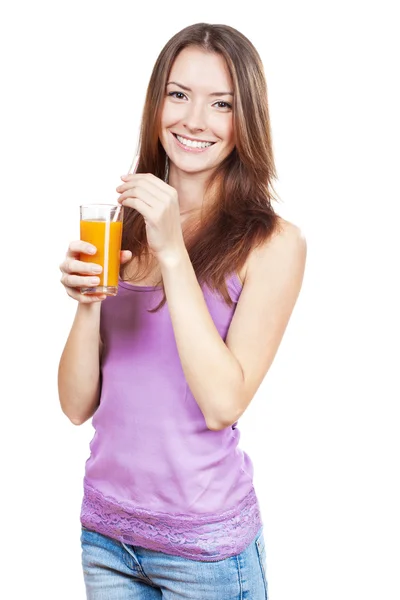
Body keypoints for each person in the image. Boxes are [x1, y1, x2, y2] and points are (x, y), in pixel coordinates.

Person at [58, 22, 307, 600]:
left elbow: (223, 403)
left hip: (204, 550)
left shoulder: (275, 244)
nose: (194, 120)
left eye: (221, 103)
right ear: (156, 104)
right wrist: (86, 304)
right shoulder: (119, 226)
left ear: (247, 120)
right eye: (178, 94)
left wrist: (173, 250)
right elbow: (75, 406)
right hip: (105, 535)